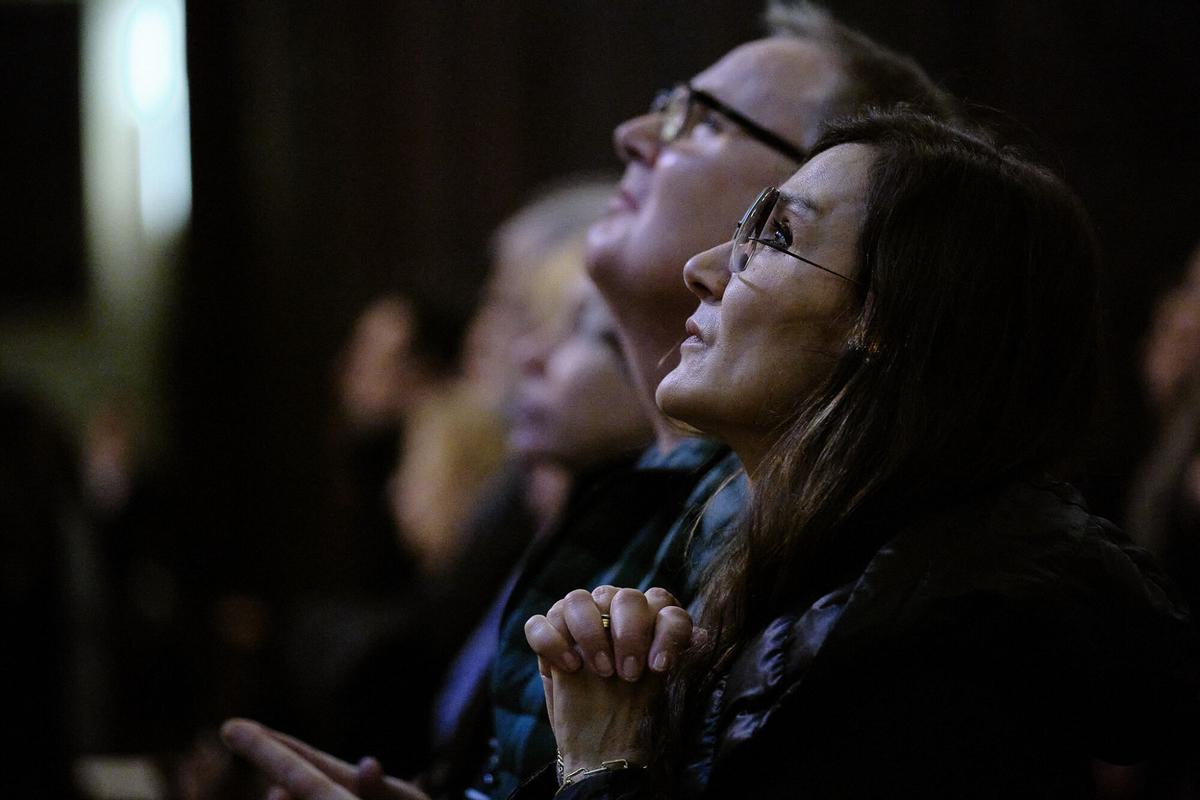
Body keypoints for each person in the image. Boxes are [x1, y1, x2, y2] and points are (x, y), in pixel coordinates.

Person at [220, 4, 958, 798]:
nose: (633, 135)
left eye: (702, 122)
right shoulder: (631, 496)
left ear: (816, 201)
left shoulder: (820, 547)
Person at [522, 110, 1198, 799]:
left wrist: (605, 765)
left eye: (776, 237)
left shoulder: (933, 660)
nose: (701, 270)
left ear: (890, 321)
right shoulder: (835, 587)